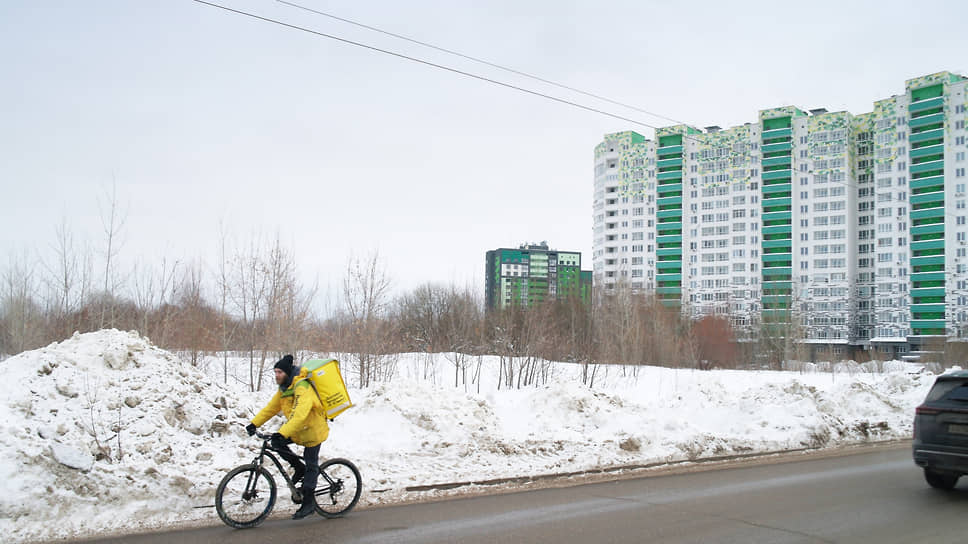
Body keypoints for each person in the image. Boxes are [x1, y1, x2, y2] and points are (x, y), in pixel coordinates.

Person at [245, 354, 330, 520]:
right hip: (299, 430)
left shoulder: (301, 386)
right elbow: (271, 408)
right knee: (276, 444)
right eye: (275, 372)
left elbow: (300, 414)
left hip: (313, 430)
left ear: (287, 373)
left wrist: (282, 433)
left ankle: (309, 504)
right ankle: (299, 467)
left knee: (311, 465)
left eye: (280, 372)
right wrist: (254, 423)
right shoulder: (284, 389)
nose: (277, 375)